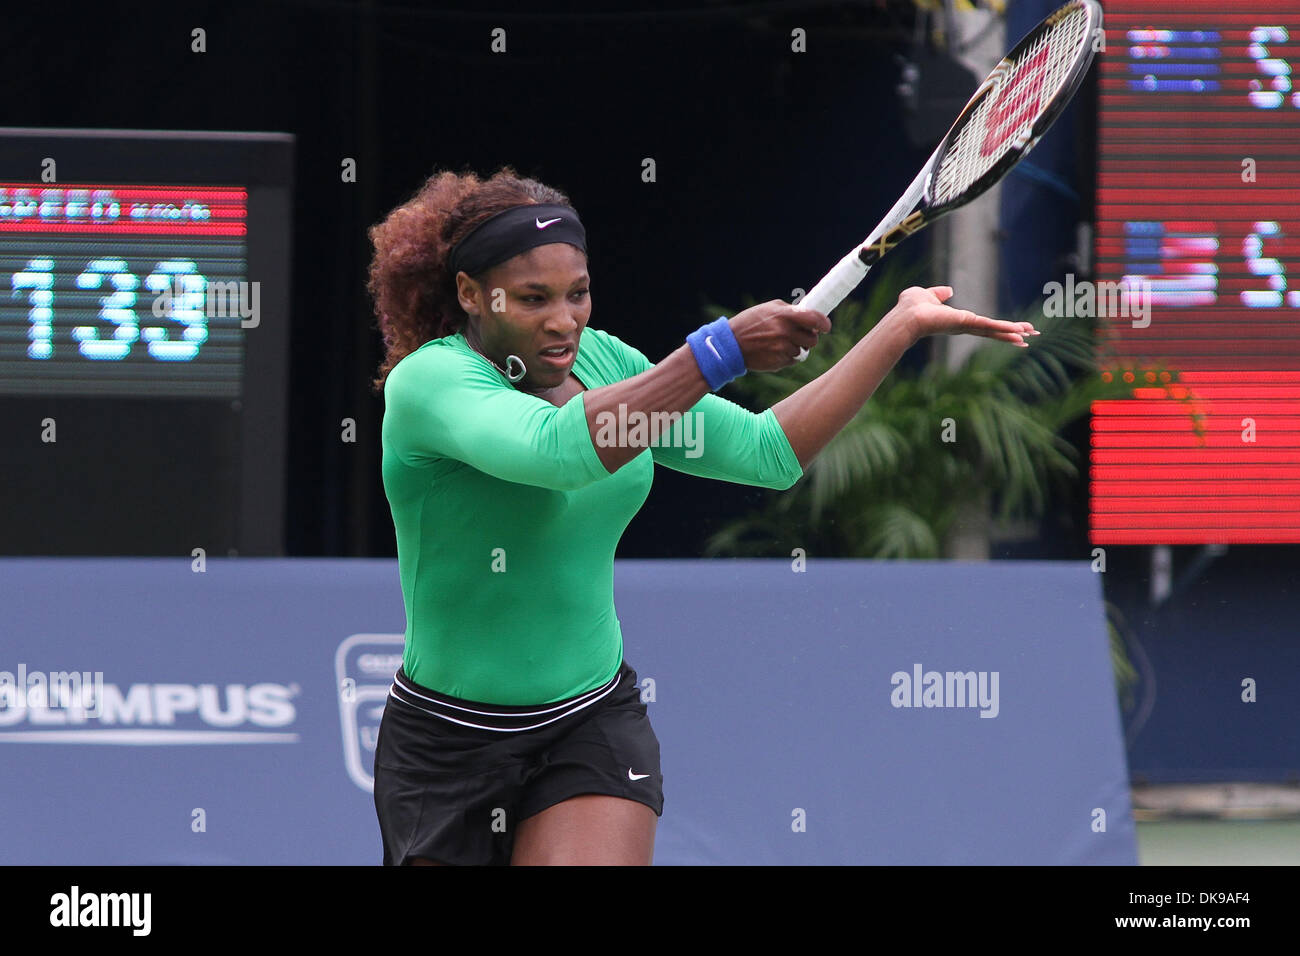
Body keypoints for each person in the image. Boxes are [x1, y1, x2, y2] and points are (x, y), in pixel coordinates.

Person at [366, 166, 1036, 866]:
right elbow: (557, 452)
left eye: (578, 293)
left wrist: (897, 330)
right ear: (471, 294)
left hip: (587, 724)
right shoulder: (430, 383)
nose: (564, 321)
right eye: (533, 299)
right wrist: (716, 353)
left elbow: (765, 451)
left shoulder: (604, 361)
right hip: (447, 744)